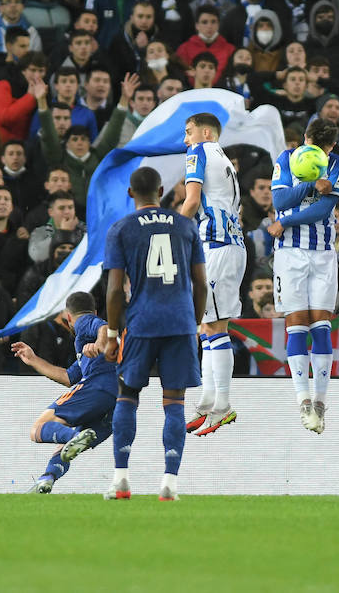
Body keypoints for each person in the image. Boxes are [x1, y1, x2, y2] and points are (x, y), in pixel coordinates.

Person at [97, 166, 207, 502]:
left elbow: (115, 290)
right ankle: (170, 484)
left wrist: (113, 333)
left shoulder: (121, 229)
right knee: (174, 402)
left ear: (131, 193)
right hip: (180, 323)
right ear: (161, 191)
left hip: (142, 323)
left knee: (126, 395)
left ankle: (121, 481)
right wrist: (195, 322)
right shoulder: (186, 225)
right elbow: (200, 283)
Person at [267, 118, 339, 433]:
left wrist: (285, 221)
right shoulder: (286, 159)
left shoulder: (338, 165)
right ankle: (303, 401)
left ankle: (321, 402)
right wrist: (311, 184)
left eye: (322, 149)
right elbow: (279, 201)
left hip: (324, 253)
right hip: (289, 253)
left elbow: (324, 210)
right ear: (305, 140)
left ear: (331, 148)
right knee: (297, 321)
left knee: (321, 323)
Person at [12, 291, 117, 494]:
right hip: (118, 402)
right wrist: (33, 359)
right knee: (66, 449)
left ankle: (73, 436)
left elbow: (103, 327)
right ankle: (46, 479)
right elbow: (69, 377)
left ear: (68, 316)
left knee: (38, 429)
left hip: (99, 387)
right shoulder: (87, 347)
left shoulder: (85, 323)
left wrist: (100, 343)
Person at [179, 112, 245, 437]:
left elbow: (192, 201)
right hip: (231, 245)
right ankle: (209, 401)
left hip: (217, 246)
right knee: (210, 326)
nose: (185, 140)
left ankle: (223, 405)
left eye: (188, 132)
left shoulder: (200, 152)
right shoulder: (227, 162)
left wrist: (173, 229)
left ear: (205, 133)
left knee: (213, 326)